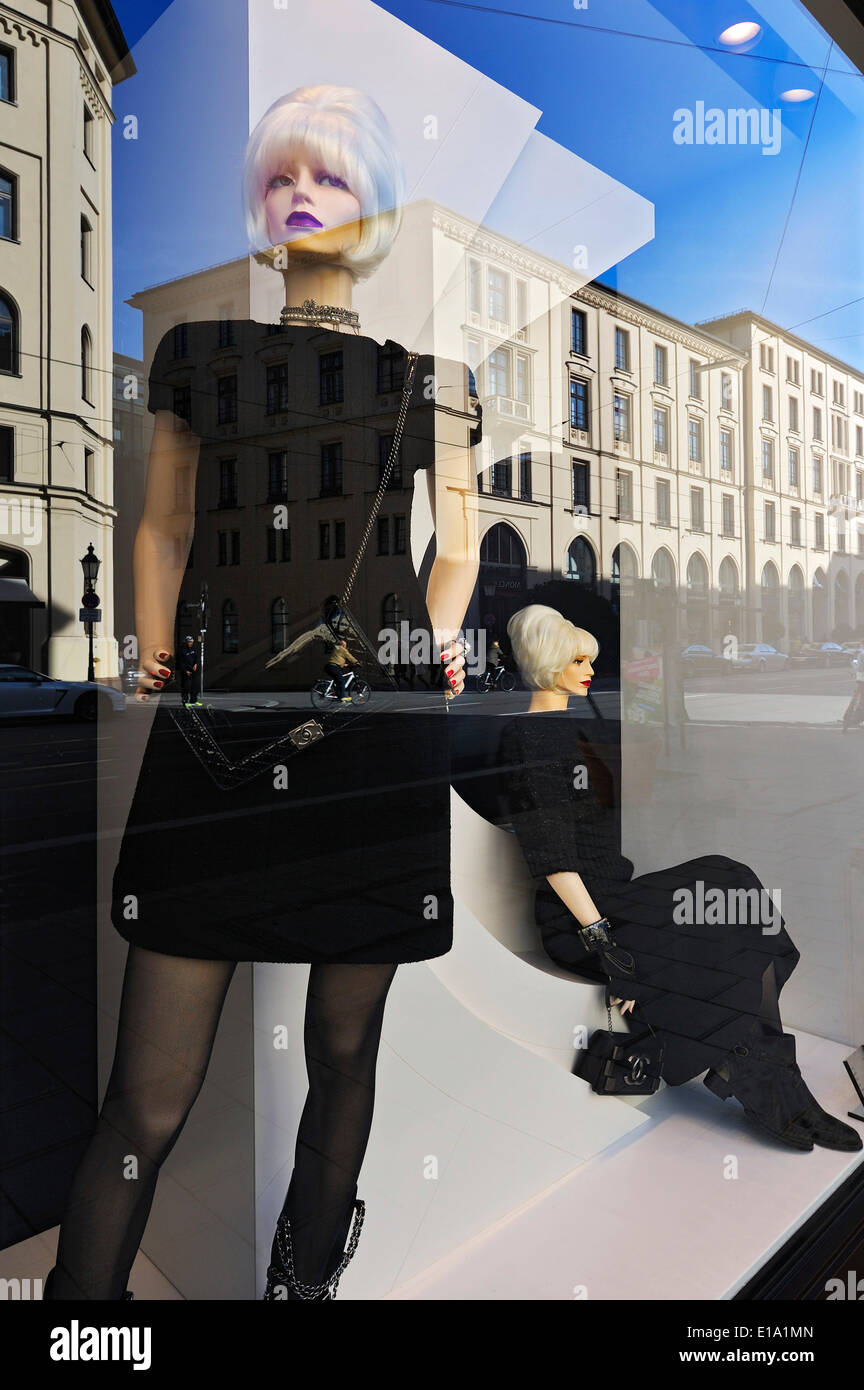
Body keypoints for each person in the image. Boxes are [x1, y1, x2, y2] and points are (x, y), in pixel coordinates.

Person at [45, 84, 480, 1303]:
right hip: (216, 747)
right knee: (149, 1092)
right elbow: (163, 526)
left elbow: (456, 549)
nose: (301, 195)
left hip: (379, 752)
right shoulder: (201, 362)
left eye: (331, 176)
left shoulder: (429, 381)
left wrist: (432, 648)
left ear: (375, 207)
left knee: (345, 1056)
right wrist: (147, 643)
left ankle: (304, 1291)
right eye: (283, 176)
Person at [499, 604, 861, 1154]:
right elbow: (553, 857)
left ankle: (773, 1083)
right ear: (549, 662)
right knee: (718, 901)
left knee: (731, 886)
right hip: (581, 918)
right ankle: (771, 1090)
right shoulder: (534, 739)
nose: (590, 669)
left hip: (614, 895)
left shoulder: (568, 727)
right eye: (578, 659)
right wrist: (604, 940)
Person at [178, 635, 199, 705]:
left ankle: (193, 700)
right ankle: (185, 700)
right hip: (185, 671)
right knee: (186, 686)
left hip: (193, 670)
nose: (191, 643)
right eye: (189, 642)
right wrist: (185, 671)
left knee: (195, 685)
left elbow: (196, 657)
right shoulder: (182, 650)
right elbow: (180, 662)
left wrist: (195, 664)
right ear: (186, 642)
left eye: (191, 642)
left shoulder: (193, 649)